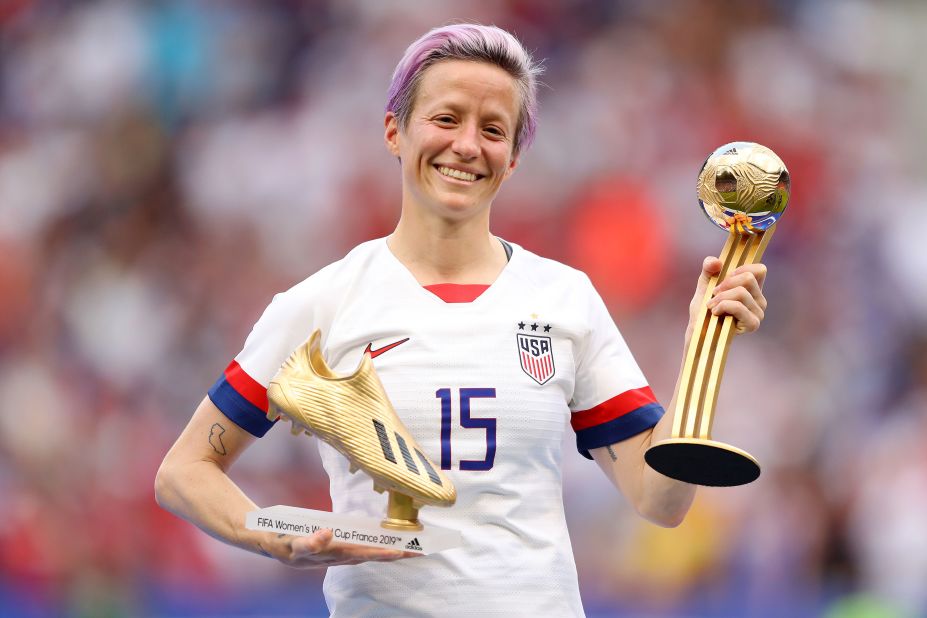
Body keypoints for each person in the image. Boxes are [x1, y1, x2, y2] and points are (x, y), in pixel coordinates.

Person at [155, 23, 769, 617]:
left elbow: (659, 500)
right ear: (395, 131)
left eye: (493, 129)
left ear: (514, 157)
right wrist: (274, 531)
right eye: (446, 118)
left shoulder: (564, 299)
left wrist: (703, 347)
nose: (468, 146)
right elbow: (184, 471)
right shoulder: (323, 304)